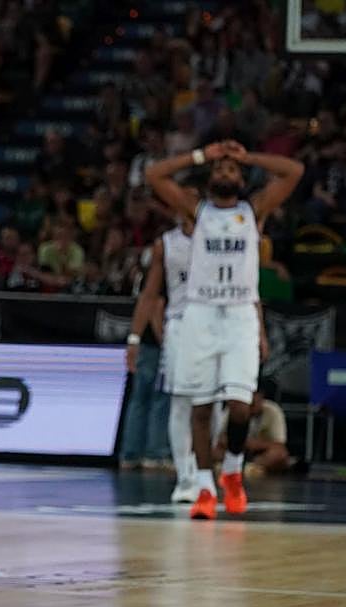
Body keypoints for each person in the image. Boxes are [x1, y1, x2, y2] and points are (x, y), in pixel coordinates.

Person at [146, 140, 302, 520]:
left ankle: (232, 470)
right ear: (210, 176)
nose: (225, 172)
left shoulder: (254, 212)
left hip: (238, 315)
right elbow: (154, 175)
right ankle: (203, 488)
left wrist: (249, 157)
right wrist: (203, 154)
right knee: (199, 408)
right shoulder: (196, 211)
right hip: (200, 312)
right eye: (220, 168)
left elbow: (293, 171)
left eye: (232, 169)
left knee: (238, 406)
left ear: (242, 178)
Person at [125, 199, 196, 501]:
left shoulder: (202, 244)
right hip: (167, 334)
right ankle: (154, 453)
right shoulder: (166, 247)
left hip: (176, 332)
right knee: (157, 398)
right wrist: (153, 334)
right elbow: (153, 299)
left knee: (147, 397)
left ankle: (134, 454)